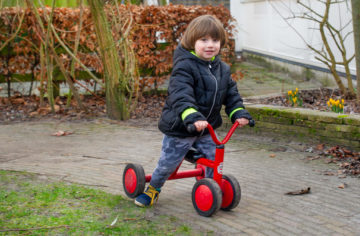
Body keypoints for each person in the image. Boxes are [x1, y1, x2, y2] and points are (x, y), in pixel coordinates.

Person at [135, 14, 252, 207]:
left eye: (215, 40)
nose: (210, 45)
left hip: (207, 128)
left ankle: (210, 187)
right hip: (182, 127)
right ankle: (153, 189)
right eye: (204, 40)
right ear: (192, 42)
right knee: (168, 163)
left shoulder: (222, 69)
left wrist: (239, 112)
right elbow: (181, 95)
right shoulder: (184, 67)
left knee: (213, 158)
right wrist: (192, 116)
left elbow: (231, 94)